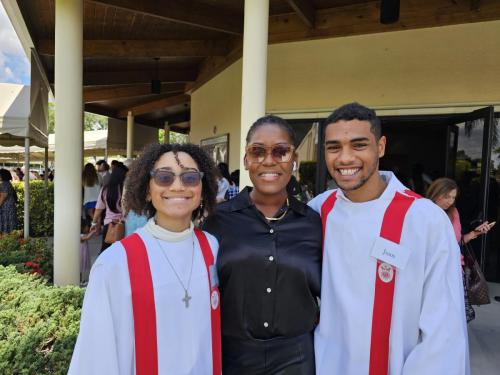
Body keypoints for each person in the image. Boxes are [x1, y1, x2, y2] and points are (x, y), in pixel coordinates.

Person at [308, 103, 469, 374]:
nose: (345, 158)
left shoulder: (425, 219)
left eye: (359, 145)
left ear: (380, 147)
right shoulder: (317, 210)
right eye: (334, 147)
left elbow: (444, 328)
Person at [69, 143, 220, 375]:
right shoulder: (115, 262)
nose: (178, 186)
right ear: (147, 190)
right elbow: (95, 353)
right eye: (164, 177)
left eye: (190, 177)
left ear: (202, 188)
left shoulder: (211, 246)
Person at [203, 115, 322, 374]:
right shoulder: (218, 221)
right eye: (258, 151)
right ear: (246, 160)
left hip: (297, 357)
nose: (269, 160)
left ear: (294, 160)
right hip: (232, 356)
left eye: (281, 151)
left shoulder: (314, 223)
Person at [427, 177, 494, 245]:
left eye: (453, 197)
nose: (450, 202)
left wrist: (475, 232)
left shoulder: (453, 212)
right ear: (435, 194)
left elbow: (457, 243)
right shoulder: (423, 213)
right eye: (446, 197)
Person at [90, 163, 128, 252]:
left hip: (109, 226)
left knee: (105, 252)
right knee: (122, 252)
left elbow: (99, 209)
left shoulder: (105, 189)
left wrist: (94, 223)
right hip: (124, 225)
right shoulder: (126, 189)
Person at [0, 168, 17, 233]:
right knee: (10, 223)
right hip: (10, 206)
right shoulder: (8, 183)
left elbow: (3, 196)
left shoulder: (4, 184)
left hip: (6, 207)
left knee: (6, 223)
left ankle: (6, 238)